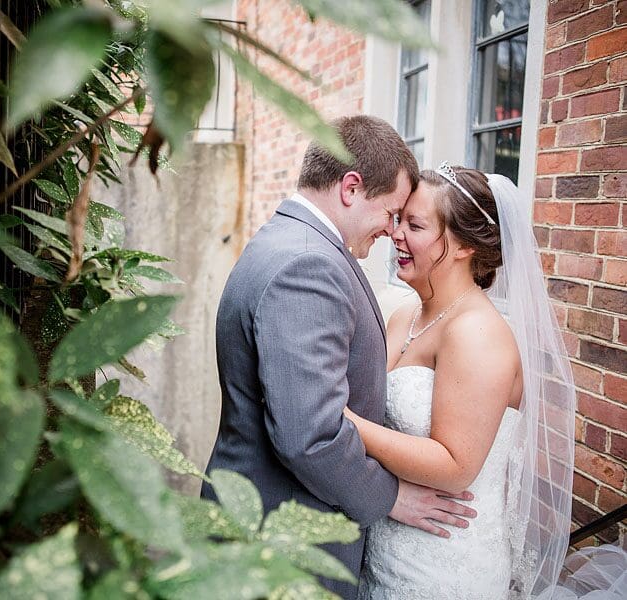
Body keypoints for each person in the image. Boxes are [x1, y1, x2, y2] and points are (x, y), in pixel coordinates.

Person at [201, 117, 476, 599]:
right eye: (392, 213)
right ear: (351, 187)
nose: (392, 232)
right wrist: (390, 497)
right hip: (282, 550)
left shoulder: (286, 241)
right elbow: (310, 434)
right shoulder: (308, 265)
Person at [346, 164, 578, 599]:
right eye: (399, 220)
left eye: (415, 225)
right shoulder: (403, 316)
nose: (396, 234)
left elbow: (455, 467)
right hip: (385, 544)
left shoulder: (479, 334)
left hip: (442, 565)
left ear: (464, 246)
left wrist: (342, 421)